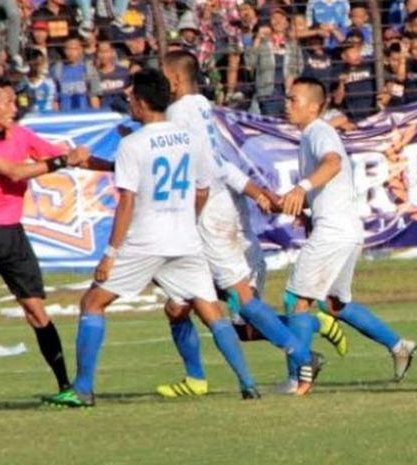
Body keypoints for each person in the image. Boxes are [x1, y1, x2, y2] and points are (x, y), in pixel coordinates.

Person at [43, 69, 260, 408]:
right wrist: (187, 220)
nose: (128, 102)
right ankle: (248, 383)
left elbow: (127, 201)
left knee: (92, 303)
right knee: (209, 310)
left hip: (146, 240)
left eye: (130, 98)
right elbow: (202, 188)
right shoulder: (187, 137)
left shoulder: (132, 143)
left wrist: (111, 252)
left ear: (142, 103)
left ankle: (83, 389)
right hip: (186, 238)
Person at [154, 50, 340, 398]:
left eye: (162, 76)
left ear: (174, 80)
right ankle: (196, 379)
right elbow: (220, 162)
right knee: (178, 305)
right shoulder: (200, 105)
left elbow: (206, 171)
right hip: (225, 207)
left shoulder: (178, 112)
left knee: (239, 305)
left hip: (210, 214)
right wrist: (256, 192)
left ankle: (303, 351)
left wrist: (189, 216)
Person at [0, 77, 91, 399]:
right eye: (8, 102)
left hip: (11, 234)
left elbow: (70, 157)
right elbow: (13, 172)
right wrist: (61, 161)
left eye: (15, 102)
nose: (15, 109)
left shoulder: (21, 135)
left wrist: (115, 167)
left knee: (36, 310)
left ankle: (65, 388)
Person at [279, 76, 417, 395]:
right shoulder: (311, 134)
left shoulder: (318, 131)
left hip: (334, 233)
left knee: (296, 300)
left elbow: (333, 163)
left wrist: (303, 188)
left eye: (293, 100)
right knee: (333, 303)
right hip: (345, 230)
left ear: (314, 107)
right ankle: (399, 346)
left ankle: (298, 379)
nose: (287, 105)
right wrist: (306, 208)